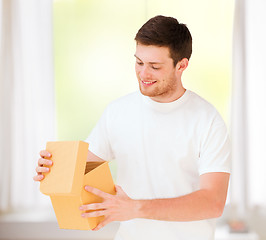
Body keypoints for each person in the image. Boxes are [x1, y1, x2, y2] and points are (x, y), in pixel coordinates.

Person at [34, 15, 231, 240]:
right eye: (139, 62)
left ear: (182, 65)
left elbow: (213, 202)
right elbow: (82, 170)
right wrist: (53, 168)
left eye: (155, 66)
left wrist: (136, 208)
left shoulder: (208, 120)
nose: (143, 74)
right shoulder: (118, 112)